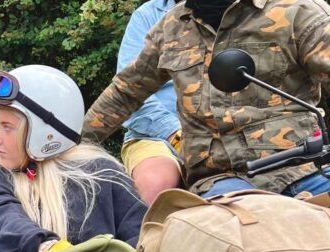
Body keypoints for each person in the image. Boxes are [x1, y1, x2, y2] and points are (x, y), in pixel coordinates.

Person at [82, 0, 330, 199]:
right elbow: (125, 93)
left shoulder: (299, 12)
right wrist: (70, 147)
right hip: (223, 182)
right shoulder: (172, 26)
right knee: (221, 243)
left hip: (303, 169)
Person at [0, 65, 147, 252]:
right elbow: (2, 219)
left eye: (7, 127)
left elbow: (141, 236)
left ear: (44, 131)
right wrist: (44, 247)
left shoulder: (103, 172)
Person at [116, 0, 183, 205]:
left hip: (231, 132)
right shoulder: (147, 15)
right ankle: (145, 236)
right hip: (156, 136)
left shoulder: (250, 12)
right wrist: (178, 136)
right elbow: (130, 94)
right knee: (156, 181)